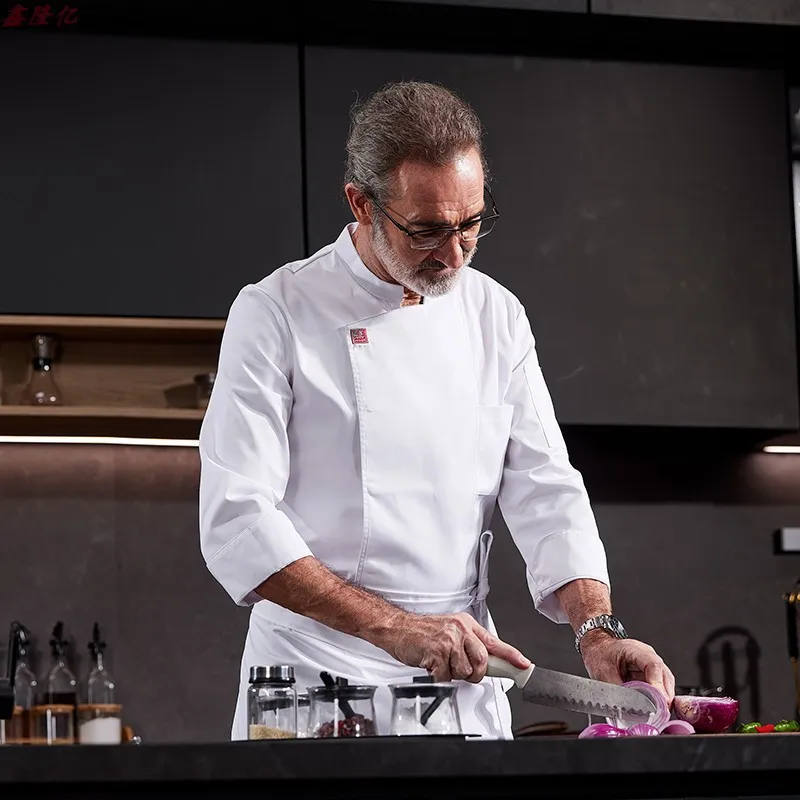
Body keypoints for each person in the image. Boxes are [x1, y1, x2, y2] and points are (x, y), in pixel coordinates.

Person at [198, 80, 674, 740]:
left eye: (471, 224)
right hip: (314, 679)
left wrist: (596, 628)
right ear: (360, 204)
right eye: (426, 230)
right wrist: (395, 627)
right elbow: (236, 520)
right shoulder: (276, 311)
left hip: (460, 673)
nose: (453, 255)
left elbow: (544, 487)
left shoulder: (496, 315)